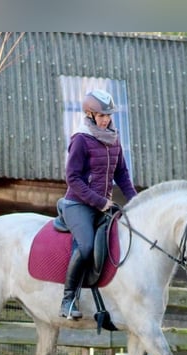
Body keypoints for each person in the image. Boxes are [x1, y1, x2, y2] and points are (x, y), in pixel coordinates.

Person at [59, 89, 138, 319]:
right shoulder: (81, 140)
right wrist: (100, 201)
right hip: (78, 205)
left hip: (103, 205)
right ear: (90, 114)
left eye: (108, 115)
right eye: (102, 116)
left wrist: (136, 201)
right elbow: (72, 179)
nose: (106, 120)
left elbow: (122, 174)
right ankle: (68, 299)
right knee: (85, 247)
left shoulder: (114, 139)